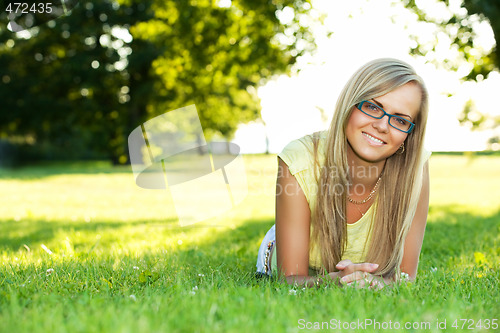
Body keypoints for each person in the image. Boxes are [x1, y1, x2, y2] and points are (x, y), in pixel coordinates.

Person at [256, 58, 430, 289]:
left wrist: (377, 284)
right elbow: (289, 280)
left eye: (399, 120)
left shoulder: (416, 167)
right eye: (372, 107)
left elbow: (406, 278)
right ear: (350, 105)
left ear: (409, 136)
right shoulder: (300, 158)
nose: (382, 126)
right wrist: (334, 283)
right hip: (289, 250)